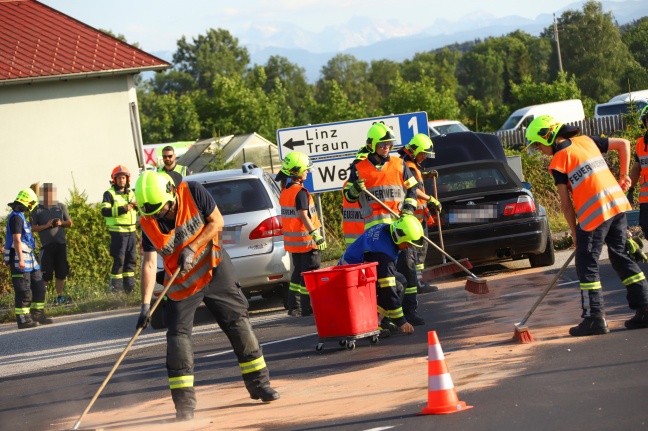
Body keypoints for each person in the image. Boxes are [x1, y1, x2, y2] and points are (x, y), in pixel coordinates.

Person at [134, 171, 279, 422]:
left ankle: (259, 385)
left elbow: (217, 222)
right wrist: (146, 306)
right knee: (177, 339)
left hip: (213, 267)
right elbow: (148, 264)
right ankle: (184, 407)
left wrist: (191, 247)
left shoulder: (193, 192)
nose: (159, 216)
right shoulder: (148, 221)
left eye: (162, 210)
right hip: (181, 282)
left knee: (238, 323)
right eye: (153, 212)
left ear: (171, 192)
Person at [525, 114, 648, 335]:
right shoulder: (587, 140)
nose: (540, 151)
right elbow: (624, 144)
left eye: (537, 145)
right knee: (620, 255)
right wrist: (623, 175)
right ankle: (645, 308)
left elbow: (565, 204)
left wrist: (575, 234)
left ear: (547, 137)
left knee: (587, 264)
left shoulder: (559, 161)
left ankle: (594, 318)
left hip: (594, 216)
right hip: (617, 207)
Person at [340, 215, 424, 336]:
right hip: (351, 277)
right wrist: (402, 321)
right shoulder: (383, 253)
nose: (408, 247)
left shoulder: (386, 229)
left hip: (353, 270)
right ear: (400, 237)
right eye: (408, 243)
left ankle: (384, 320)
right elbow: (388, 289)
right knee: (397, 286)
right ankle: (375, 323)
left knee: (401, 280)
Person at [395, 134, 443, 324]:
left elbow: (417, 183)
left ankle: (419, 279)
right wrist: (430, 199)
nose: (424, 157)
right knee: (416, 252)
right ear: (414, 151)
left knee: (420, 252)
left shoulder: (412, 165)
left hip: (418, 215)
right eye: (423, 154)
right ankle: (418, 281)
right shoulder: (407, 166)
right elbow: (414, 190)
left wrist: (428, 175)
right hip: (412, 216)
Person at [276, 151, 326, 317]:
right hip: (306, 241)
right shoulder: (301, 192)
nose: (308, 172)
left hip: (294, 244)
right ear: (296, 172)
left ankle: (294, 306)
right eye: (306, 169)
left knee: (298, 274)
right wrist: (315, 235)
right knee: (309, 275)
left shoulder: (285, 190)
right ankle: (306, 308)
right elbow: (303, 215)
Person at [344, 123, 419, 230]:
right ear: (371, 145)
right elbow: (348, 197)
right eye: (382, 144)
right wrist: (354, 190)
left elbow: (412, 188)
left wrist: (409, 209)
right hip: (373, 229)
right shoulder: (358, 169)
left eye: (389, 144)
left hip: (399, 225)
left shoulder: (400, 164)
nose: (387, 148)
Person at [4, 188, 54, 328]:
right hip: (20, 258)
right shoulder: (15, 218)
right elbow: (16, 240)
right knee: (24, 290)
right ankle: (23, 319)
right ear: (27, 202)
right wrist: (20, 259)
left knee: (39, 286)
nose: (32, 207)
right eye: (32, 204)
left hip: (30, 258)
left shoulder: (20, 216)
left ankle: (37, 314)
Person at [30, 182, 73, 305]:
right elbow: (32, 228)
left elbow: (69, 223)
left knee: (61, 272)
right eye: (47, 193)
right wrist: (46, 225)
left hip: (61, 244)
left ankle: (60, 297)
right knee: (45, 274)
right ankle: (42, 300)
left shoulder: (60, 206)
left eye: (51, 193)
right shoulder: (37, 209)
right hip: (46, 246)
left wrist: (61, 223)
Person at [101, 166, 138, 293]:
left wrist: (137, 206)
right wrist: (123, 209)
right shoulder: (109, 193)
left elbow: (136, 210)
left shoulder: (131, 193)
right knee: (119, 260)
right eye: (119, 178)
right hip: (118, 232)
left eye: (123, 178)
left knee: (131, 260)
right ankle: (115, 291)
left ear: (127, 179)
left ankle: (130, 289)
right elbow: (104, 211)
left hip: (132, 232)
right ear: (114, 179)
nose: (121, 180)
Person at [628, 106, 648, 237]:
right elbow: (636, 168)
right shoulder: (641, 144)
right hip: (646, 198)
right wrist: (630, 189)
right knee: (646, 227)